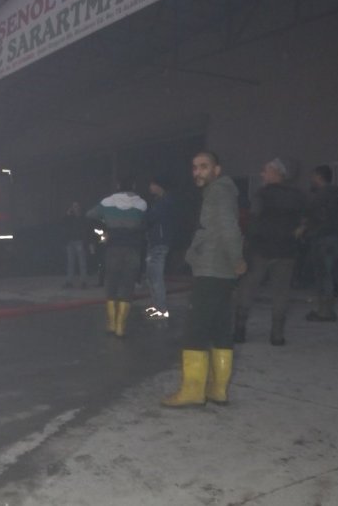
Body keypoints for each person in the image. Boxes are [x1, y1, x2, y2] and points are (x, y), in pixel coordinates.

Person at [163, 152, 245, 408]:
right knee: (220, 329)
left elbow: (229, 228)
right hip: (221, 272)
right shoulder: (224, 191)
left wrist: (237, 259)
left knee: (196, 330)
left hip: (211, 269)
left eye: (204, 167)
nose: (197, 172)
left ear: (216, 170)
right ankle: (218, 390)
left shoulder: (218, 193)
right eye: (195, 167)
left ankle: (192, 392)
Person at [234, 158, 305, 346]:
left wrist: (246, 246)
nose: (262, 174)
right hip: (287, 249)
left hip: (262, 248)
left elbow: (254, 220)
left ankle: (239, 330)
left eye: (265, 171)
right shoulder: (297, 195)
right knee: (281, 292)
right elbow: (305, 218)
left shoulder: (262, 195)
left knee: (248, 287)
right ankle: (277, 335)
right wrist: (298, 232)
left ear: (275, 173)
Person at [87, 178, 147, 338]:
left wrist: (104, 225)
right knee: (128, 287)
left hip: (113, 248)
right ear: (133, 186)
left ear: (117, 187)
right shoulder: (141, 204)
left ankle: (111, 324)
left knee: (111, 285)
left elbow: (90, 215)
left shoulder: (107, 202)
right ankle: (121, 327)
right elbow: (146, 222)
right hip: (133, 249)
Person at [303, 165, 338, 322]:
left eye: (313, 176)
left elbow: (314, 215)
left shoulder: (321, 195)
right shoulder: (335, 193)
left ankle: (325, 312)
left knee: (323, 275)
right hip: (334, 237)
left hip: (323, 238)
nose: (311, 180)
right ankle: (324, 309)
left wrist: (308, 229)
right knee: (328, 274)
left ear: (319, 176)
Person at [144, 178, 175, 320]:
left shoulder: (164, 202)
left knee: (156, 277)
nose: (150, 187)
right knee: (152, 277)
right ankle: (157, 307)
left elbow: (151, 217)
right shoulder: (160, 201)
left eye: (152, 184)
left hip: (159, 243)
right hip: (155, 242)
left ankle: (161, 309)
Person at [61, 202, 92, 289]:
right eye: (73, 206)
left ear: (79, 207)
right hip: (70, 242)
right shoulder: (70, 218)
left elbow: (87, 230)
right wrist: (67, 214)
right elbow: (62, 223)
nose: (74, 208)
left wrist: (86, 242)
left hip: (79, 241)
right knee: (70, 263)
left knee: (82, 262)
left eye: (76, 206)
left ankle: (83, 282)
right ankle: (69, 281)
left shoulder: (83, 218)